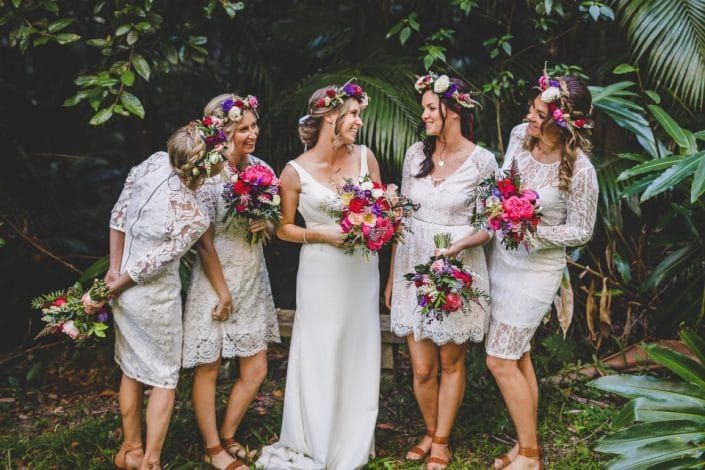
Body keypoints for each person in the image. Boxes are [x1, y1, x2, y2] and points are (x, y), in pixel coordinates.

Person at [256, 81, 381, 469]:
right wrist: (321, 234)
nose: (359, 122)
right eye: (354, 114)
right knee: (321, 349)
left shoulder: (365, 158)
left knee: (358, 348)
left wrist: (378, 222)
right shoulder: (294, 172)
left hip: (361, 271)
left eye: (360, 114)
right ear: (331, 116)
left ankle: (354, 438)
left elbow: (379, 213)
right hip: (320, 272)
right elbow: (283, 228)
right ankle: (317, 436)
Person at [85, 121, 220, 469]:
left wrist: (112, 273)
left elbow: (117, 216)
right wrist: (111, 286)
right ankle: (151, 462)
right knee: (163, 379)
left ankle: (129, 450)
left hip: (123, 289)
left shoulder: (152, 163)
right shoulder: (194, 215)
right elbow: (151, 266)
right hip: (153, 299)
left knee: (130, 371)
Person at [486, 71, 598, 470]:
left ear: (560, 121)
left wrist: (533, 232)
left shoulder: (581, 170)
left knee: (499, 359)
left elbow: (582, 229)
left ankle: (531, 457)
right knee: (519, 357)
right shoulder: (519, 136)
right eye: (532, 110)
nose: (529, 117)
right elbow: (503, 180)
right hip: (502, 260)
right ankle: (524, 444)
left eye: (538, 113)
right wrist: (501, 210)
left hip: (536, 272)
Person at [385, 73, 496, 469]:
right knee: (421, 365)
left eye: (432, 107)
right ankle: (429, 430)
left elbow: (489, 224)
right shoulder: (416, 154)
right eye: (426, 107)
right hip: (412, 267)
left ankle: (442, 441)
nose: (425, 114)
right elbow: (401, 218)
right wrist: (393, 275)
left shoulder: (483, 161)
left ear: (454, 110)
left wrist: (461, 245)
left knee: (451, 362)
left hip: (456, 268)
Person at [182, 94, 280, 470]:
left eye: (254, 126)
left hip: (252, 275)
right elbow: (203, 241)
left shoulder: (262, 169)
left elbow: (275, 220)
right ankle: (212, 449)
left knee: (256, 369)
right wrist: (222, 292)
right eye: (243, 128)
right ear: (224, 132)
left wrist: (265, 223)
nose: (252, 133)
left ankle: (227, 434)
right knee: (209, 364)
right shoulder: (206, 174)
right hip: (215, 277)